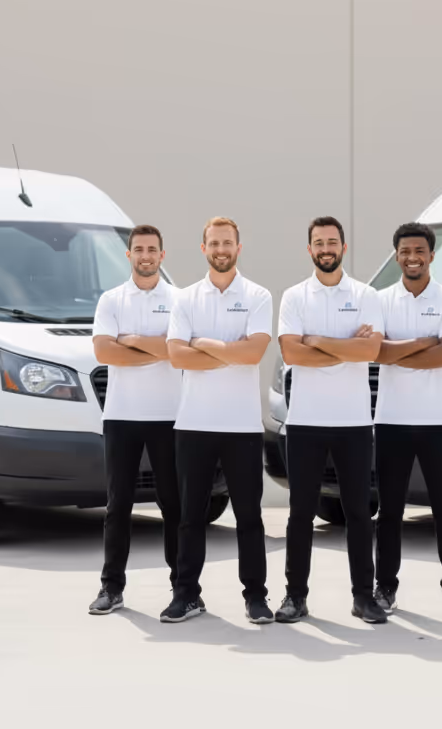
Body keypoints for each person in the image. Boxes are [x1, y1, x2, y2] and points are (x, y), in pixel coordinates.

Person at [274, 216, 388, 625]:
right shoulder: (294, 297)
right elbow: (292, 353)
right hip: (305, 422)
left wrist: (318, 341)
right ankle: (295, 597)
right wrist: (347, 346)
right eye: (319, 243)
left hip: (353, 423)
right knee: (300, 513)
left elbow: (371, 351)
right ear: (310, 249)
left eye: (332, 242)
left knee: (358, 512)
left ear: (344, 247)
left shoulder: (365, 295)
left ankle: (363, 597)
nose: (326, 249)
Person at [161, 217, 274, 624]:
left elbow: (253, 354)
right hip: (193, 424)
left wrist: (203, 344)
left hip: (242, 427)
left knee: (249, 518)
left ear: (238, 248)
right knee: (190, 517)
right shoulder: (186, 298)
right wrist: (231, 351)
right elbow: (177, 356)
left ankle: (256, 597)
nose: (221, 250)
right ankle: (186, 595)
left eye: (227, 243)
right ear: (203, 248)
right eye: (214, 243)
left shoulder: (258, 296)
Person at [373, 221, 442, 619]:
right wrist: (423, 343)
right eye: (405, 252)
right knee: (389, 512)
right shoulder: (380, 300)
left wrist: (399, 351)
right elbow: (376, 353)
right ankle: (385, 588)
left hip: (438, 422)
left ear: (431, 255)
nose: (412, 258)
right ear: (396, 256)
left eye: (419, 251)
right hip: (391, 421)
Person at [88, 224, 182, 615]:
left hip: (168, 416)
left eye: (152, 249)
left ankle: (183, 589)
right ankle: (111, 588)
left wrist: (130, 340)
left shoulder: (178, 299)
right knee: (118, 505)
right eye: (139, 249)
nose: (145, 256)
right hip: (121, 416)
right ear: (128, 255)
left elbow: (177, 351)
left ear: (162, 255)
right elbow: (104, 353)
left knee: (173, 505)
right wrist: (155, 348)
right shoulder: (111, 300)